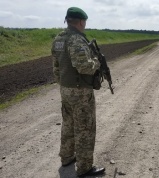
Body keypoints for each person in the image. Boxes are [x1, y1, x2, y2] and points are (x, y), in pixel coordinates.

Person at [51, 7, 105, 177]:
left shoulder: (59, 39)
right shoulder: (76, 40)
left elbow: (56, 67)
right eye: (85, 22)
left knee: (68, 124)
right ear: (81, 21)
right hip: (80, 91)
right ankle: (84, 168)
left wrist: (63, 84)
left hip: (65, 89)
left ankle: (67, 157)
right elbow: (84, 67)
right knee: (85, 129)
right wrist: (96, 62)